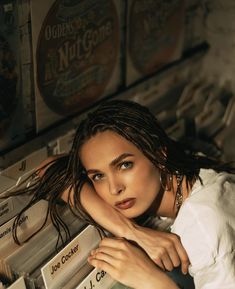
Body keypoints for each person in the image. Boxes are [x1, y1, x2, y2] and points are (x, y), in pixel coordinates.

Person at [8, 99, 235, 289]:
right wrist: (134, 232)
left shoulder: (203, 227)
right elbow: (49, 167)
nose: (114, 189)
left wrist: (152, 281)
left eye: (124, 165)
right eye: (98, 176)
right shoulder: (189, 173)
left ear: (159, 155)